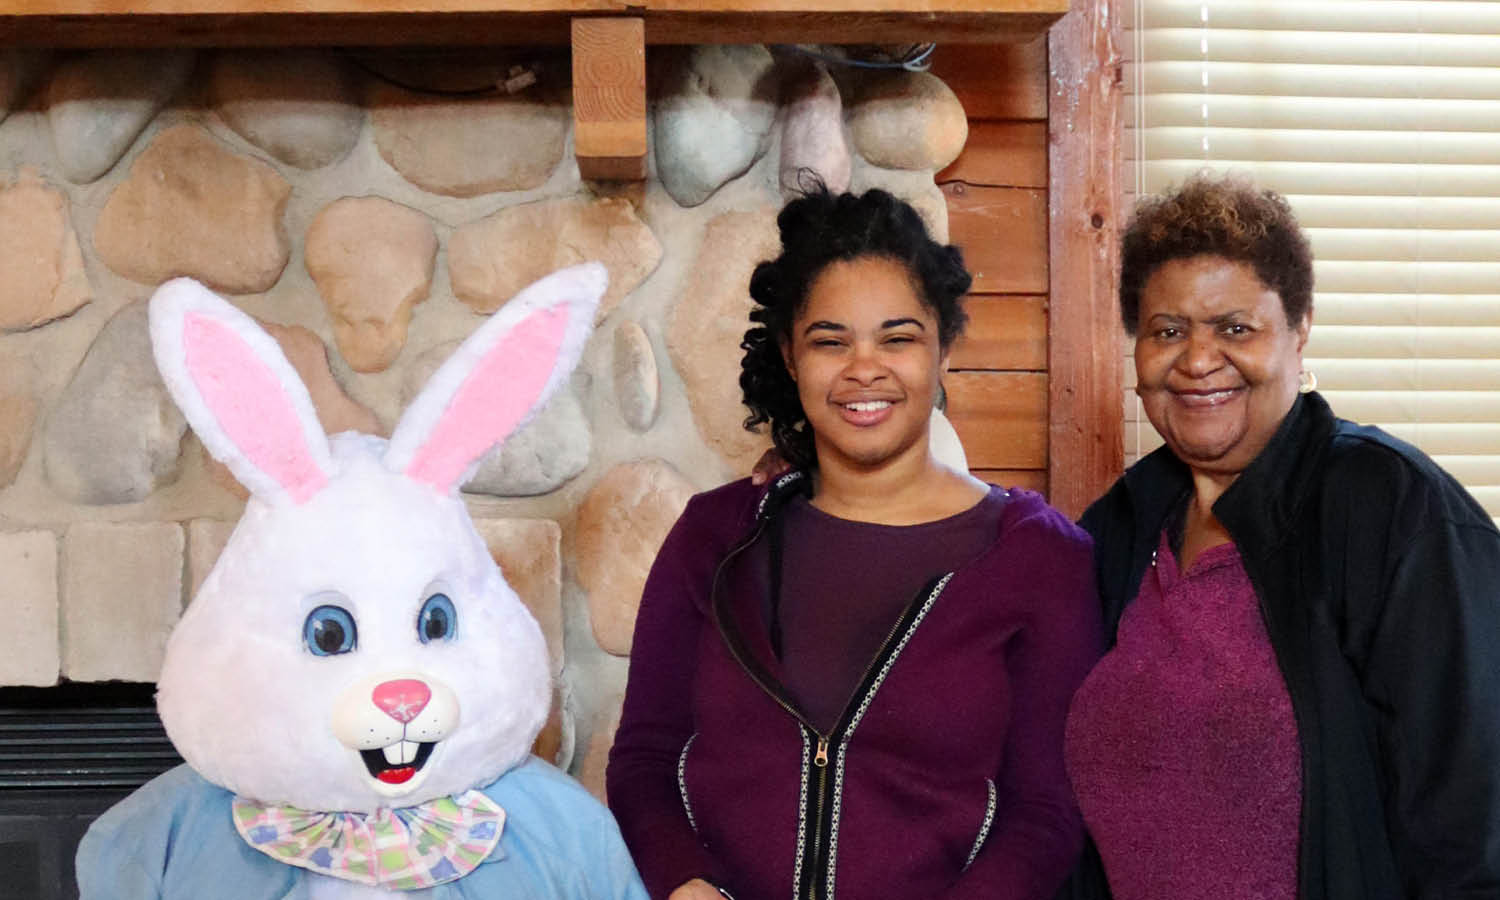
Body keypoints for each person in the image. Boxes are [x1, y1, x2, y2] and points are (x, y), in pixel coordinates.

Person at [606, 187, 1102, 900]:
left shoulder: (1041, 557)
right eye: (830, 341)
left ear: (942, 348)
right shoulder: (713, 537)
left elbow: (1046, 813)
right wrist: (687, 888)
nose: (863, 369)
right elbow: (646, 759)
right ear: (790, 356)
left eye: (897, 338)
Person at [1062, 173, 1500, 900]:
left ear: (1299, 330)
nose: (1198, 360)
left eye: (1235, 327)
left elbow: (1473, 828)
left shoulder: (1393, 508)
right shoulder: (1121, 525)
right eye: (1168, 331)